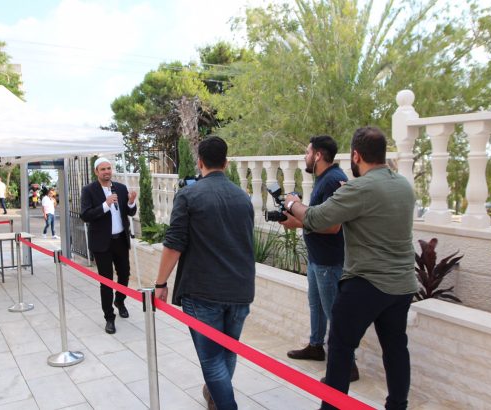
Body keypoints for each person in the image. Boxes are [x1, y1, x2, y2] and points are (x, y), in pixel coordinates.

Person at [282, 127, 417, 410]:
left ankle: (332, 406)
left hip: (367, 284)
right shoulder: (403, 186)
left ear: (356, 155)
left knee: (340, 347)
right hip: (402, 284)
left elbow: (317, 218)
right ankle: (397, 405)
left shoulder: (360, 188)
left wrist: (293, 204)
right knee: (396, 349)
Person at [154, 136, 255, 410]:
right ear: (226, 163)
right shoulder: (243, 197)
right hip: (240, 289)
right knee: (228, 351)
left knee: (211, 360)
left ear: (200, 163)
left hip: (203, 292)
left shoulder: (188, 195)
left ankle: (225, 404)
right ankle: (215, 396)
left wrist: (160, 283)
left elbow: (174, 244)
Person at [282, 136, 359, 382]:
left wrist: (298, 220)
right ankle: (316, 346)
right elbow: (317, 217)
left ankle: (347, 366)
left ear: (318, 155)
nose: (305, 157)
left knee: (334, 312)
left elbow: (333, 226)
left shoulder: (333, 181)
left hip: (329, 261)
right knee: (316, 306)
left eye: (307, 152)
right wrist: (295, 218)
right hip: (318, 258)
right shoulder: (324, 179)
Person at [80, 158, 137, 334]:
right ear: (96, 172)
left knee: (125, 274)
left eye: (108, 168)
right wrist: (106, 204)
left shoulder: (120, 188)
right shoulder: (89, 190)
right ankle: (109, 317)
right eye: (103, 169)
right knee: (106, 281)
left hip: (120, 240)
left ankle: (119, 301)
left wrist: (131, 202)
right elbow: (85, 215)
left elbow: (130, 212)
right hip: (101, 243)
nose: (106, 171)